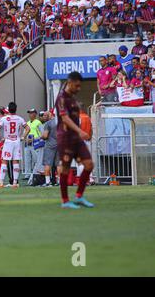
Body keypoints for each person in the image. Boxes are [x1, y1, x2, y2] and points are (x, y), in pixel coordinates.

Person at [55, 71, 95, 209]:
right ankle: (65, 201)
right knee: (65, 169)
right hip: (65, 138)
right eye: (76, 86)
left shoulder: (72, 98)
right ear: (70, 82)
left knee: (89, 164)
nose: (78, 89)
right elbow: (64, 118)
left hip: (76, 138)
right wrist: (80, 131)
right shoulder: (61, 98)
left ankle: (78, 197)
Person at [0, 102, 30, 188]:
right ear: (16, 109)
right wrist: (23, 137)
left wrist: (2, 138)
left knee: (4, 161)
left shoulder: (4, 119)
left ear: (8, 109)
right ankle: (15, 183)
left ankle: (1, 182)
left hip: (8, 141)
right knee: (15, 161)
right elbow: (28, 128)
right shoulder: (20, 119)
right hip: (17, 141)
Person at [41, 110, 58, 187]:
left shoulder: (48, 123)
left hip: (50, 145)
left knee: (47, 164)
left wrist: (41, 136)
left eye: (46, 115)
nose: (45, 116)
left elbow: (45, 136)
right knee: (59, 165)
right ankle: (60, 182)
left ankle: (48, 182)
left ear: (51, 114)